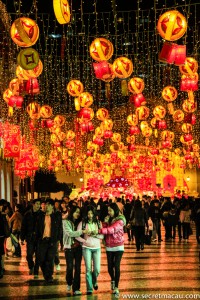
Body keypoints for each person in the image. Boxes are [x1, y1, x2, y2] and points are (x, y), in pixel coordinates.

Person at [99, 202, 126, 297]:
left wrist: (99, 230)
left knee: (116, 265)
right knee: (110, 267)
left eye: (110, 210)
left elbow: (112, 230)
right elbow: (105, 228)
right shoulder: (108, 219)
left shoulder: (120, 220)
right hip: (109, 246)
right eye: (108, 211)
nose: (109, 212)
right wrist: (105, 223)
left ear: (115, 210)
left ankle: (116, 287)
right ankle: (113, 279)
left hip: (118, 246)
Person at [76, 205, 104, 295]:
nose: (90, 215)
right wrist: (84, 241)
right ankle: (89, 288)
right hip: (86, 248)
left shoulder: (98, 223)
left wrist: (96, 234)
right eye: (88, 213)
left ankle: (94, 281)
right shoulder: (83, 223)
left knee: (97, 269)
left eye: (92, 213)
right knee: (88, 269)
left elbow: (102, 235)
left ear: (94, 213)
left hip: (97, 248)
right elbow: (77, 235)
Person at [62, 205, 89, 296]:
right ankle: (69, 282)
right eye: (76, 212)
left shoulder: (80, 223)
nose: (77, 214)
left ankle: (76, 288)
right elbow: (70, 233)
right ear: (71, 212)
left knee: (78, 268)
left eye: (79, 212)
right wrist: (82, 231)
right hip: (69, 248)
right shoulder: (65, 222)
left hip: (78, 248)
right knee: (69, 267)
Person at [35, 198, 62, 283]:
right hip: (43, 240)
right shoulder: (40, 216)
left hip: (52, 241)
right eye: (45, 204)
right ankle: (47, 274)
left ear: (52, 206)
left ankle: (49, 276)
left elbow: (60, 228)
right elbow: (37, 228)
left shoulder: (56, 216)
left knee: (50, 259)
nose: (46, 206)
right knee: (41, 259)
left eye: (48, 205)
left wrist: (58, 239)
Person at [21, 198, 42, 278]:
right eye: (37, 204)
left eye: (39, 204)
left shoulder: (41, 214)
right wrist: (22, 238)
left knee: (38, 256)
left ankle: (36, 271)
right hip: (30, 238)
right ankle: (31, 266)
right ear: (33, 204)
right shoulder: (27, 214)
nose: (38, 206)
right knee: (29, 255)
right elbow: (23, 227)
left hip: (39, 238)